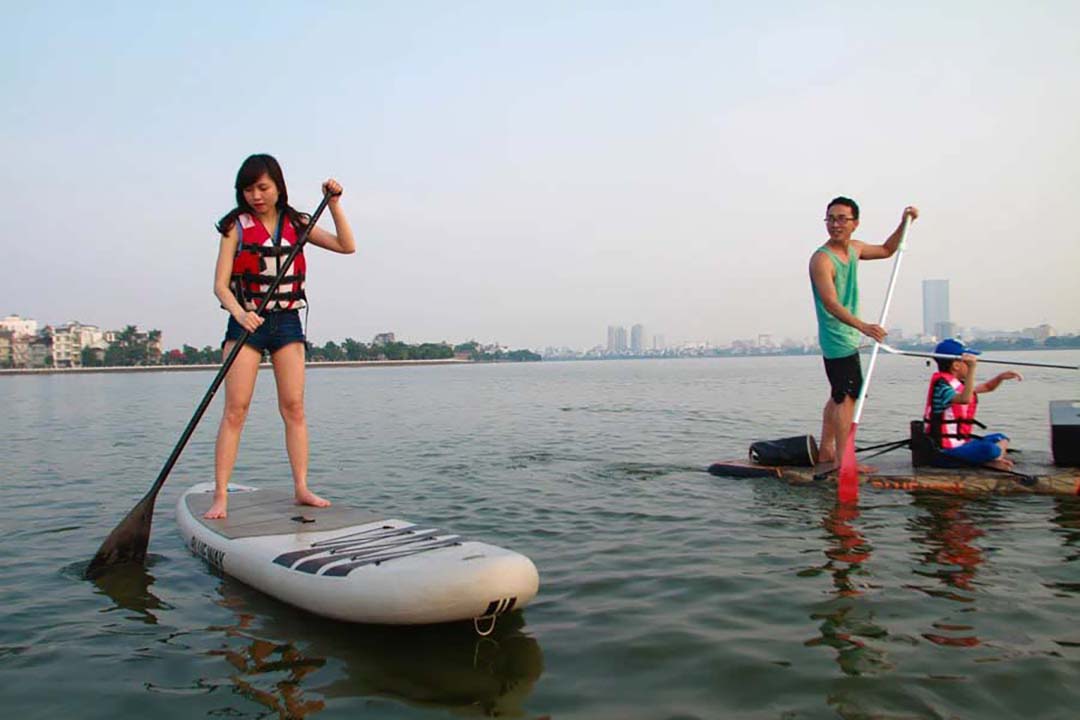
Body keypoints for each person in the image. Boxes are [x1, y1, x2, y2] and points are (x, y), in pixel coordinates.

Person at [205, 154, 356, 519]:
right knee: (235, 411)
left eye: (263, 187)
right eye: (248, 188)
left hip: (287, 322)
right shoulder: (234, 227)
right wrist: (242, 314)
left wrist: (334, 205)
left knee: (294, 408)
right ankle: (221, 495)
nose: (255, 195)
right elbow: (220, 286)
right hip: (246, 324)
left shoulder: (298, 223)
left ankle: (301, 487)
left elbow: (346, 245)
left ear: (277, 187)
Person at [809, 197, 918, 467]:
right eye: (830, 218)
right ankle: (846, 462)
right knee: (847, 399)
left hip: (849, 336)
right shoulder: (822, 260)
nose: (835, 224)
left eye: (842, 219)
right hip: (837, 337)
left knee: (839, 394)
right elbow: (831, 303)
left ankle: (826, 450)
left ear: (855, 223)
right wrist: (865, 327)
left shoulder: (855, 250)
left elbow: (886, 249)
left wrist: (905, 223)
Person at [923, 338, 1022, 471]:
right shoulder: (942, 386)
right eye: (967, 362)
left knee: (1001, 438)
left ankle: (992, 461)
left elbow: (987, 387)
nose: (972, 363)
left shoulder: (958, 384)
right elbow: (965, 399)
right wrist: (972, 369)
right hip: (944, 452)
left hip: (961, 444)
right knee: (990, 449)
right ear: (956, 365)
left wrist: (1000, 378)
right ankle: (990, 461)